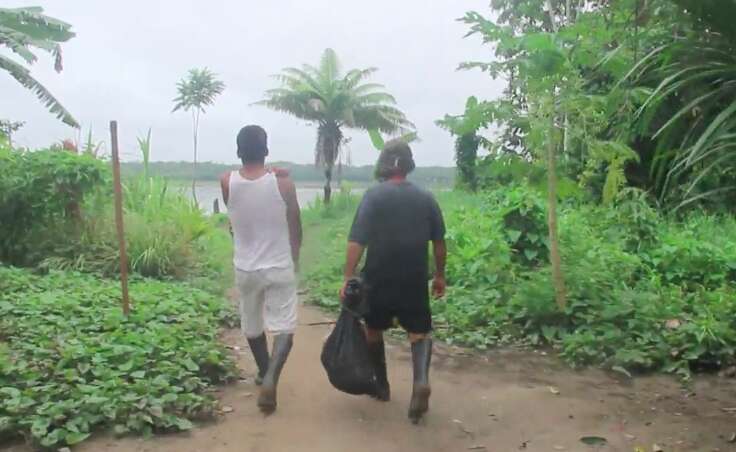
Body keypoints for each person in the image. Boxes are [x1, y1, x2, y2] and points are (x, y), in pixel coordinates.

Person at [341, 139, 446, 424]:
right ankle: (420, 381)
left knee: (373, 329)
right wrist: (439, 275)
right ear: (408, 164)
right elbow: (438, 242)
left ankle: (382, 386)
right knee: (419, 333)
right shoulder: (426, 198)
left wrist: (348, 277)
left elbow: (356, 241)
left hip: (378, 276)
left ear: (384, 164)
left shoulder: (374, 196)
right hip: (414, 277)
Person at [220, 125, 302, 414]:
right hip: (278, 264)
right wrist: (295, 256)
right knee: (285, 327)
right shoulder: (283, 184)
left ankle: (263, 371)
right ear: (266, 150)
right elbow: (295, 223)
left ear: (239, 151)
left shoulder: (226, 181)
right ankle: (270, 378)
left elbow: (234, 216)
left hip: (246, 267)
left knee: (252, 324)